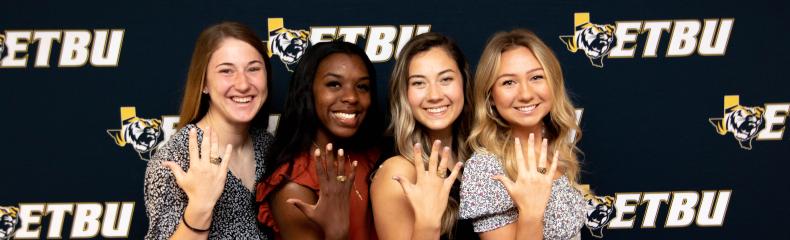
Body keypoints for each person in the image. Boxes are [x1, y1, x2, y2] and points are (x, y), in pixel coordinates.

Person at [144, 22, 274, 239]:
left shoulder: (267, 146)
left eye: (253, 69)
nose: (243, 84)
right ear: (204, 83)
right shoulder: (176, 159)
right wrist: (200, 207)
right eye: (226, 71)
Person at [459, 29, 587, 240]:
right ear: (490, 96)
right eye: (509, 82)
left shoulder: (555, 144)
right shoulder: (486, 168)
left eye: (536, 77)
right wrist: (531, 212)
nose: (526, 94)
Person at [256, 40, 383, 240]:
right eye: (334, 84)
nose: (351, 97)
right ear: (308, 91)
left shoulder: (374, 156)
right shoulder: (295, 186)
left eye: (362, 86)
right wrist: (336, 233)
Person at [371, 32, 478, 240]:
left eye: (446, 79)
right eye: (419, 83)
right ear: (404, 93)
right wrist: (428, 223)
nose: (435, 95)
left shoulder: (476, 156)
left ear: (464, 83)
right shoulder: (398, 172)